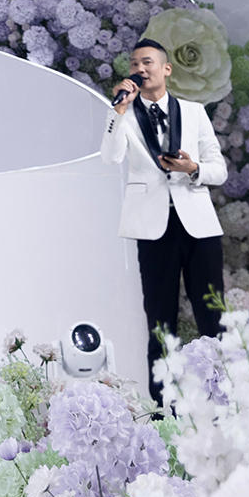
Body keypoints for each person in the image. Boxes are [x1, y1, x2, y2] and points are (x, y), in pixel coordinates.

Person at [100, 35, 227, 402]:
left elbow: (219, 169)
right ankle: (162, 409)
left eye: (147, 62)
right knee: (160, 323)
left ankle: (223, 400)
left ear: (166, 68)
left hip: (198, 225)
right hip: (153, 228)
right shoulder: (123, 114)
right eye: (134, 64)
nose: (140, 69)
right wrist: (117, 111)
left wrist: (192, 168)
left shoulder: (194, 112)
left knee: (213, 317)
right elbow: (110, 157)